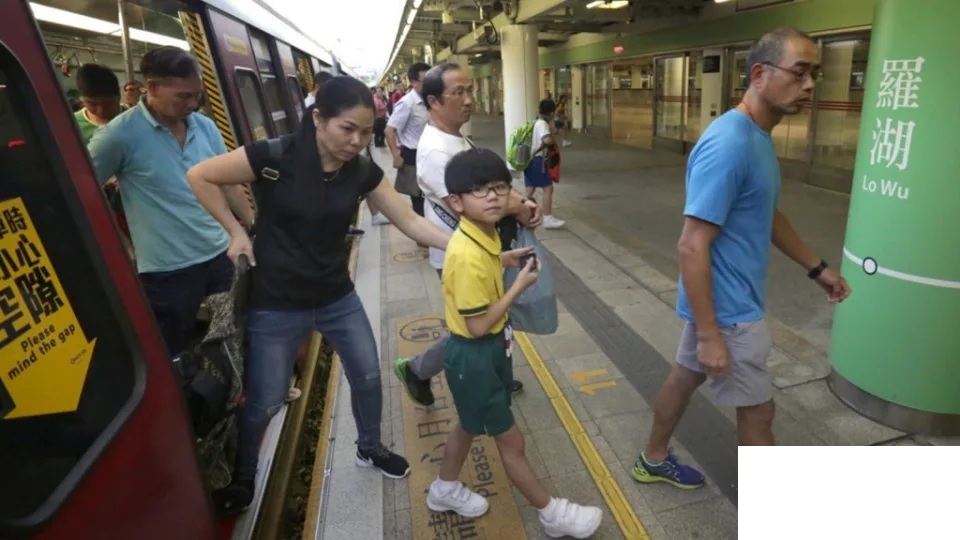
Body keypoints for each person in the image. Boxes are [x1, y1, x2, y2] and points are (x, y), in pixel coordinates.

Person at [186, 75, 452, 515]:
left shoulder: (362, 171)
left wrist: (465, 245)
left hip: (336, 296)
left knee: (368, 375)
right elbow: (201, 175)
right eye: (347, 128)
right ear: (318, 119)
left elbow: (409, 220)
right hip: (275, 302)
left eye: (366, 132)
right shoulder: (276, 155)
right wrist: (236, 231)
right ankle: (245, 473)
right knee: (266, 398)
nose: (357, 141)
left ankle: (369, 446)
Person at [631, 27, 852, 489]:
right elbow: (691, 243)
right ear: (759, 73)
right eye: (799, 72)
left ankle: (653, 458)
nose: (810, 84)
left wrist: (817, 268)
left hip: (717, 303)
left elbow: (765, 213)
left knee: (682, 379)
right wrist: (711, 334)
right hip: (730, 312)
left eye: (814, 73)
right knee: (759, 412)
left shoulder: (756, 136)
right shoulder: (730, 143)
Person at [428, 148, 602, 539]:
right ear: (456, 202)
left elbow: (487, 260)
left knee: (469, 425)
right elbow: (476, 325)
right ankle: (551, 513)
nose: (491, 196)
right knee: (512, 441)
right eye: (478, 190)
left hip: (484, 354)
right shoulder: (467, 255)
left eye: (498, 187)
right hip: (474, 354)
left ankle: (444, 488)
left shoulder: (481, 235)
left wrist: (506, 260)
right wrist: (519, 285)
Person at [392, 62, 540, 407]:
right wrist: (519, 206)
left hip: (484, 249)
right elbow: (473, 207)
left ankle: (495, 374)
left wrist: (521, 202)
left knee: (489, 319)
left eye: (469, 90)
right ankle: (419, 369)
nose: (469, 99)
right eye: (458, 92)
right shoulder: (435, 152)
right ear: (433, 102)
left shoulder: (455, 137)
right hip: (461, 254)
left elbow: (489, 189)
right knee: (472, 328)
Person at [88, 46, 251, 357]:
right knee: (170, 346)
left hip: (220, 253)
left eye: (196, 96)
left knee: (232, 333)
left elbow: (229, 184)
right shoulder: (118, 137)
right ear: (152, 88)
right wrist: (123, 246)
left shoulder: (204, 126)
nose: (191, 104)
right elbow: (83, 193)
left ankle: (231, 396)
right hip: (167, 269)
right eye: (182, 97)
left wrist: (251, 227)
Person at [385, 62, 431, 218]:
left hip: (430, 153)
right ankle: (422, 237)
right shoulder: (407, 103)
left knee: (432, 194)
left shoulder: (430, 100)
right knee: (418, 197)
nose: (430, 84)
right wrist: (396, 155)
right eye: (426, 80)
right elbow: (390, 129)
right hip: (413, 155)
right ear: (414, 82)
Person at [524, 99, 565, 229]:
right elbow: (547, 140)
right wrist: (553, 136)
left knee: (529, 190)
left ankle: (515, 212)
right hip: (537, 161)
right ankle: (547, 218)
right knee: (548, 188)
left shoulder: (535, 121)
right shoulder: (542, 124)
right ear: (552, 112)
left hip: (530, 160)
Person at [73, 63, 122, 143]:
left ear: (119, 96)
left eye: (108, 104)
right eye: (92, 104)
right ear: (82, 99)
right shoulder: (72, 125)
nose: (101, 111)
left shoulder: (134, 119)